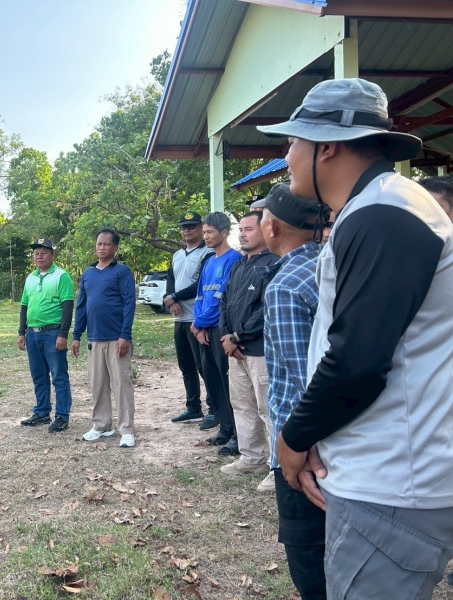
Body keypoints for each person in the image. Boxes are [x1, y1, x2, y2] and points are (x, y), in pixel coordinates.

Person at [259, 78, 453, 599]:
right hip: (383, 477)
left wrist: (293, 439)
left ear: (326, 147)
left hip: (391, 485)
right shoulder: (376, 208)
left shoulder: (386, 213)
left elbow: (357, 360)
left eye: (293, 142)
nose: (287, 156)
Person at [258, 183, 326, 599]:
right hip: (347, 440)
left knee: (310, 559)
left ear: (272, 227)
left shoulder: (286, 286)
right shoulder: (333, 264)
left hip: (303, 449)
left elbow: (307, 381)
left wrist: (298, 445)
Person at [218, 212, 279, 490]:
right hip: (235, 351)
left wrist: (239, 336)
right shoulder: (239, 265)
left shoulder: (274, 264)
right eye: (240, 229)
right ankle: (252, 458)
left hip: (259, 351)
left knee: (268, 408)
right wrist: (226, 336)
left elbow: (267, 309)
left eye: (249, 229)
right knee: (243, 405)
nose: (242, 234)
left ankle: (278, 467)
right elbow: (225, 302)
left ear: (265, 230)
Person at [72, 228, 137, 448]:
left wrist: (125, 335)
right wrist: (76, 335)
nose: (102, 248)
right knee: (97, 385)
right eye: (99, 244)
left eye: (107, 244)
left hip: (117, 339)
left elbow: (129, 304)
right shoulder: (88, 274)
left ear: (115, 247)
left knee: (121, 385)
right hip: (94, 339)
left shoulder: (122, 272)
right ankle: (102, 425)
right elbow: (81, 306)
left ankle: (126, 429)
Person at [191, 212, 243, 456]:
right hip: (204, 329)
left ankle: (237, 435)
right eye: (204, 232)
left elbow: (222, 297)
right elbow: (201, 295)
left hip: (219, 328)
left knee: (226, 381)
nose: (206, 236)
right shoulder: (209, 261)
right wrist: (199, 325)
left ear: (224, 232)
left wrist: (200, 323)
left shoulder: (234, 260)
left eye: (210, 232)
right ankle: (225, 427)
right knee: (211, 379)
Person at [163, 211, 215, 428]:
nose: (187, 230)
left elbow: (201, 284)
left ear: (201, 228)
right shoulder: (177, 255)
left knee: (204, 366)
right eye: (184, 227)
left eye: (192, 226)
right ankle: (193, 407)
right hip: (180, 319)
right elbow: (171, 279)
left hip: (197, 318)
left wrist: (175, 297)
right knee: (186, 366)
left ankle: (215, 408)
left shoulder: (207, 253)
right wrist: (170, 299)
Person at [17, 238, 74, 433]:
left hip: (53, 333)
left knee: (59, 376)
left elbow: (67, 306)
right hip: (32, 334)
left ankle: (62, 416)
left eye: (43, 253)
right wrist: (21, 332)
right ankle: (42, 412)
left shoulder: (61, 276)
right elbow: (24, 306)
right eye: (36, 253)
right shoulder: (30, 278)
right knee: (39, 376)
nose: (39, 256)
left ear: (52, 255)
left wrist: (63, 334)